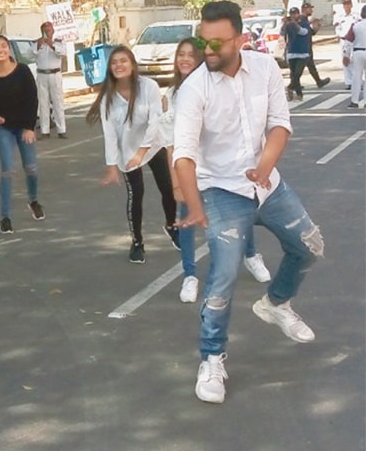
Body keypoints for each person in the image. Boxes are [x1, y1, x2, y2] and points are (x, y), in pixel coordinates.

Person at [173, 1, 323, 404]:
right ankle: (211, 359)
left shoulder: (265, 68)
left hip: (267, 184)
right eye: (204, 40)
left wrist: (264, 166)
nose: (208, 50)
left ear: (240, 39)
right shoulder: (194, 89)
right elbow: (183, 155)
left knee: (309, 246)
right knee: (223, 278)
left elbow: (279, 124)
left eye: (218, 42)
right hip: (221, 191)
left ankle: (276, 303)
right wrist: (194, 205)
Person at [160, 38, 271, 303]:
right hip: (191, 172)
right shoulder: (172, 96)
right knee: (186, 221)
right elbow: (169, 144)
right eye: (181, 55)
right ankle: (189, 276)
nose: (185, 59)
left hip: (223, 169)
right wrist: (175, 183)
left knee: (240, 213)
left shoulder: (217, 87)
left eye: (190, 55)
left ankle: (251, 255)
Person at [86, 45, 179, 264]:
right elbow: (109, 134)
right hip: (127, 152)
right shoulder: (108, 98)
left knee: (167, 187)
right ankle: (137, 242)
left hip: (153, 145)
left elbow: (155, 121)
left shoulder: (149, 86)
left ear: (133, 65)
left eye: (123, 61)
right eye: (114, 62)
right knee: (136, 195)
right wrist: (111, 166)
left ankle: (171, 226)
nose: (119, 65)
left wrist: (142, 152)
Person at [0, 34, 45, 234]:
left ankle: (33, 201)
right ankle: (5, 217)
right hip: (4, 128)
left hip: (23, 126)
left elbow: (32, 100)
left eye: (4, 46)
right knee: (7, 171)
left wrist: (29, 127)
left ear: (9, 49)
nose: (0, 50)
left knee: (31, 167)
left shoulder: (22, 71)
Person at [33, 21, 67, 138]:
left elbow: (62, 53)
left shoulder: (59, 42)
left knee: (58, 102)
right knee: (43, 103)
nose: (47, 32)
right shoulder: (38, 42)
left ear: (53, 31)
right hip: (42, 75)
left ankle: (61, 130)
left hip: (55, 74)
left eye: (49, 30)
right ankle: (45, 131)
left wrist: (51, 44)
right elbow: (31, 54)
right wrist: (39, 45)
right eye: (44, 30)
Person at [299, 2, 331, 89]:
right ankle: (294, 84)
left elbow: (311, 33)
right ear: (305, 9)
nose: (312, 10)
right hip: (302, 47)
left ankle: (318, 81)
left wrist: (317, 26)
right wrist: (310, 22)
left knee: (310, 65)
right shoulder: (301, 19)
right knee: (301, 66)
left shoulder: (305, 20)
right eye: (310, 8)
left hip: (307, 46)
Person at [284, 7, 310, 101]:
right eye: (292, 14)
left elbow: (304, 32)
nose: (293, 15)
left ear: (298, 14)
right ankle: (299, 94)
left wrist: (294, 24)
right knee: (293, 74)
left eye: (295, 13)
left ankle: (290, 88)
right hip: (292, 52)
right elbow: (283, 34)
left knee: (297, 74)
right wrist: (285, 23)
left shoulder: (303, 22)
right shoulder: (288, 24)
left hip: (302, 52)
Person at [334, 0, 359, 90]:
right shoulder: (339, 17)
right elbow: (337, 28)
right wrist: (341, 35)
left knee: (355, 61)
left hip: (354, 40)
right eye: (345, 5)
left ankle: (356, 81)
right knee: (346, 61)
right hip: (344, 40)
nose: (347, 6)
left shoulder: (356, 16)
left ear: (351, 5)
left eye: (348, 4)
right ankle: (349, 82)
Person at [347, 5, 366, 108]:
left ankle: (354, 101)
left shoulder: (355, 25)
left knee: (356, 77)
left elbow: (348, 41)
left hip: (358, 51)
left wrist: (346, 55)